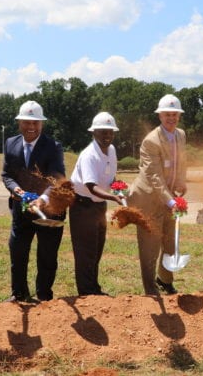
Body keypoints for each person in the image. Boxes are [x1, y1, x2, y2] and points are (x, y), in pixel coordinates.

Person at [1, 100, 65, 302]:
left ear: (42, 124)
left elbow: (56, 177)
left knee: (47, 256)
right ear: (19, 122)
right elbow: (6, 174)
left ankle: (44, 295)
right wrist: (16, 189)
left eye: (35, 123)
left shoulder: (53, 147)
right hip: (21, 210)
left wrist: (42, 198)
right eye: (26, 122)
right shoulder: (10, 143)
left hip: (49, 211)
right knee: (18, 252)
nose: (30, 127)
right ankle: (19, 293)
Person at [128, 94, 187, 295]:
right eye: (167, 114)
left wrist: (181, 182)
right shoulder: (151, 141)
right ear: (160, 116)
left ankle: (165, 280)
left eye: (175, 114)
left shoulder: (181, 135)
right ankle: (150, 289)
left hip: (168, 196)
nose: (171, 118)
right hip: (148, 198)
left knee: (171, 241)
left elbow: (181, 161)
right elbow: (154, 176)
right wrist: (171, 200)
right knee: (149, 246)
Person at [69, 112, 124, 296]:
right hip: (83, 206)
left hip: (99, 206)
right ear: (94, 133)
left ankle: (94, 288)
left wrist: (117, 188)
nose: (107, 135)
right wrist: (114, 197)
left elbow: (111, 176)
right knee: (85, 252)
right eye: (103, 132)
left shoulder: (112, 150)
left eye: (110, 132)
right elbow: (91, 187)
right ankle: (86, 293)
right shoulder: (89, 156)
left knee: (96, 249)